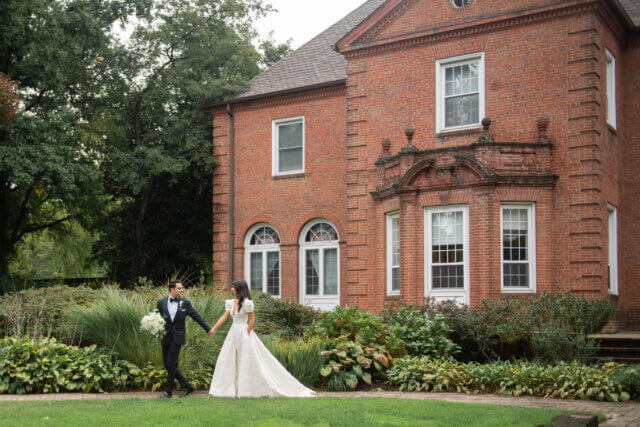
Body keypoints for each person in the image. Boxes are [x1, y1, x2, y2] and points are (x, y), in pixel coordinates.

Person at [208, 279, 315, 398]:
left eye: (233, 287)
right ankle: (225, 389)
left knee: (247, 360)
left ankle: (247, 389)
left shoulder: (247, 303)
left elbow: (252, 319)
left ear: (239, 288)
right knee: (226, 358)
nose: (231, 289)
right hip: (233, 332)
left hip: (243, 332)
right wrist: (214, 328)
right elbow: (224, 317)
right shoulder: (231, 302)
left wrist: (247, 334)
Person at [157, 279, 214, 398]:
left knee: (172, 363)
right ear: (172, 289)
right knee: (168, 365)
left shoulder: (185, 303)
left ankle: (168, 392)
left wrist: (208, 329)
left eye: (182, 288)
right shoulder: (161, 302)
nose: (182, 290)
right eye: (179, 288)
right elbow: (157, 318)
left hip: (177, 337)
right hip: (165, 337)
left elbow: (196, 316)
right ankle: (188, 386)